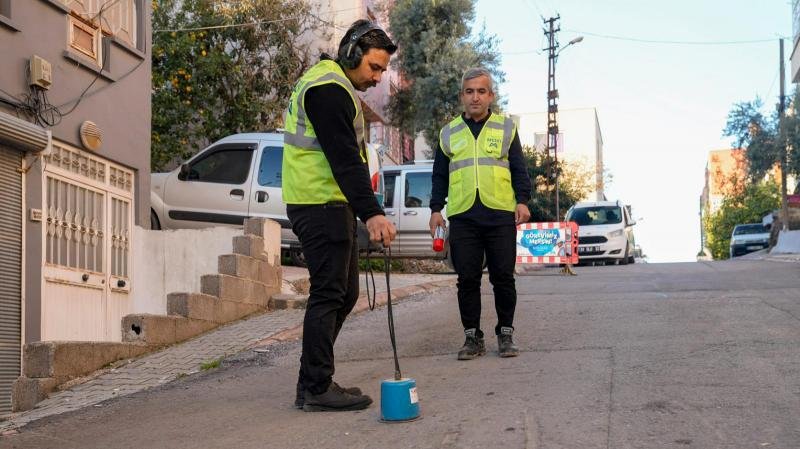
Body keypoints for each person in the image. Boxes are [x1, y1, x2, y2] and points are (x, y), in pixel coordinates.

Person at [282, 20, 397, 412]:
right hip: (319, 203)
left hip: (328, 203)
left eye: (382, 70)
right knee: (330, 293)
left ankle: (313, 381)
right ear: (351, 53)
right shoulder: (328, 90)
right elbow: (345, 160)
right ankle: (316, 387)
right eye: (374, 68)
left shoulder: (334, 86)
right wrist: (373, 214)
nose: (378, 78)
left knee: (344, 294)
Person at [429, 67, 532, 360]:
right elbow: (439, 176)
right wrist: (436, 209)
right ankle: (472, 337)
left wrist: (522, 201)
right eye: (470, 91)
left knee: (503, 277)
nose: (475, 97)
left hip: (500, 214)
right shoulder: (448, 132)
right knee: (467, 279)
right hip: (463, 216)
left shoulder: (506, 128)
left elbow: (518, 168)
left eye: (481, 91)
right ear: (462, 96)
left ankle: (506, 333)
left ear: (491, 96)